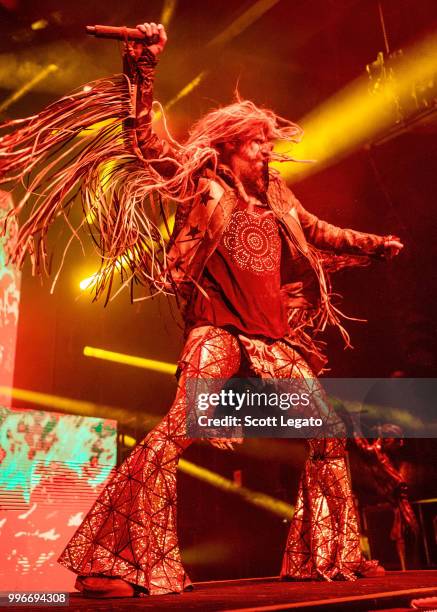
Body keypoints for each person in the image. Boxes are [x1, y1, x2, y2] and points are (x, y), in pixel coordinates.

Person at [0, 22, 403, 598]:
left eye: (269, 143)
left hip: (272, 341)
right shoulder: (201, 183)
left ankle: (330, 554)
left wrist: (373, 244)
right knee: (173, 436)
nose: (268, 152)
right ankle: (108, 564)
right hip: (217, 334)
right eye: (256, 143)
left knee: (329, 435)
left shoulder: (279, 198)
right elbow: (146, 141)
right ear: (230, 147)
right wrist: (143, 67)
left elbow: (319, 233)